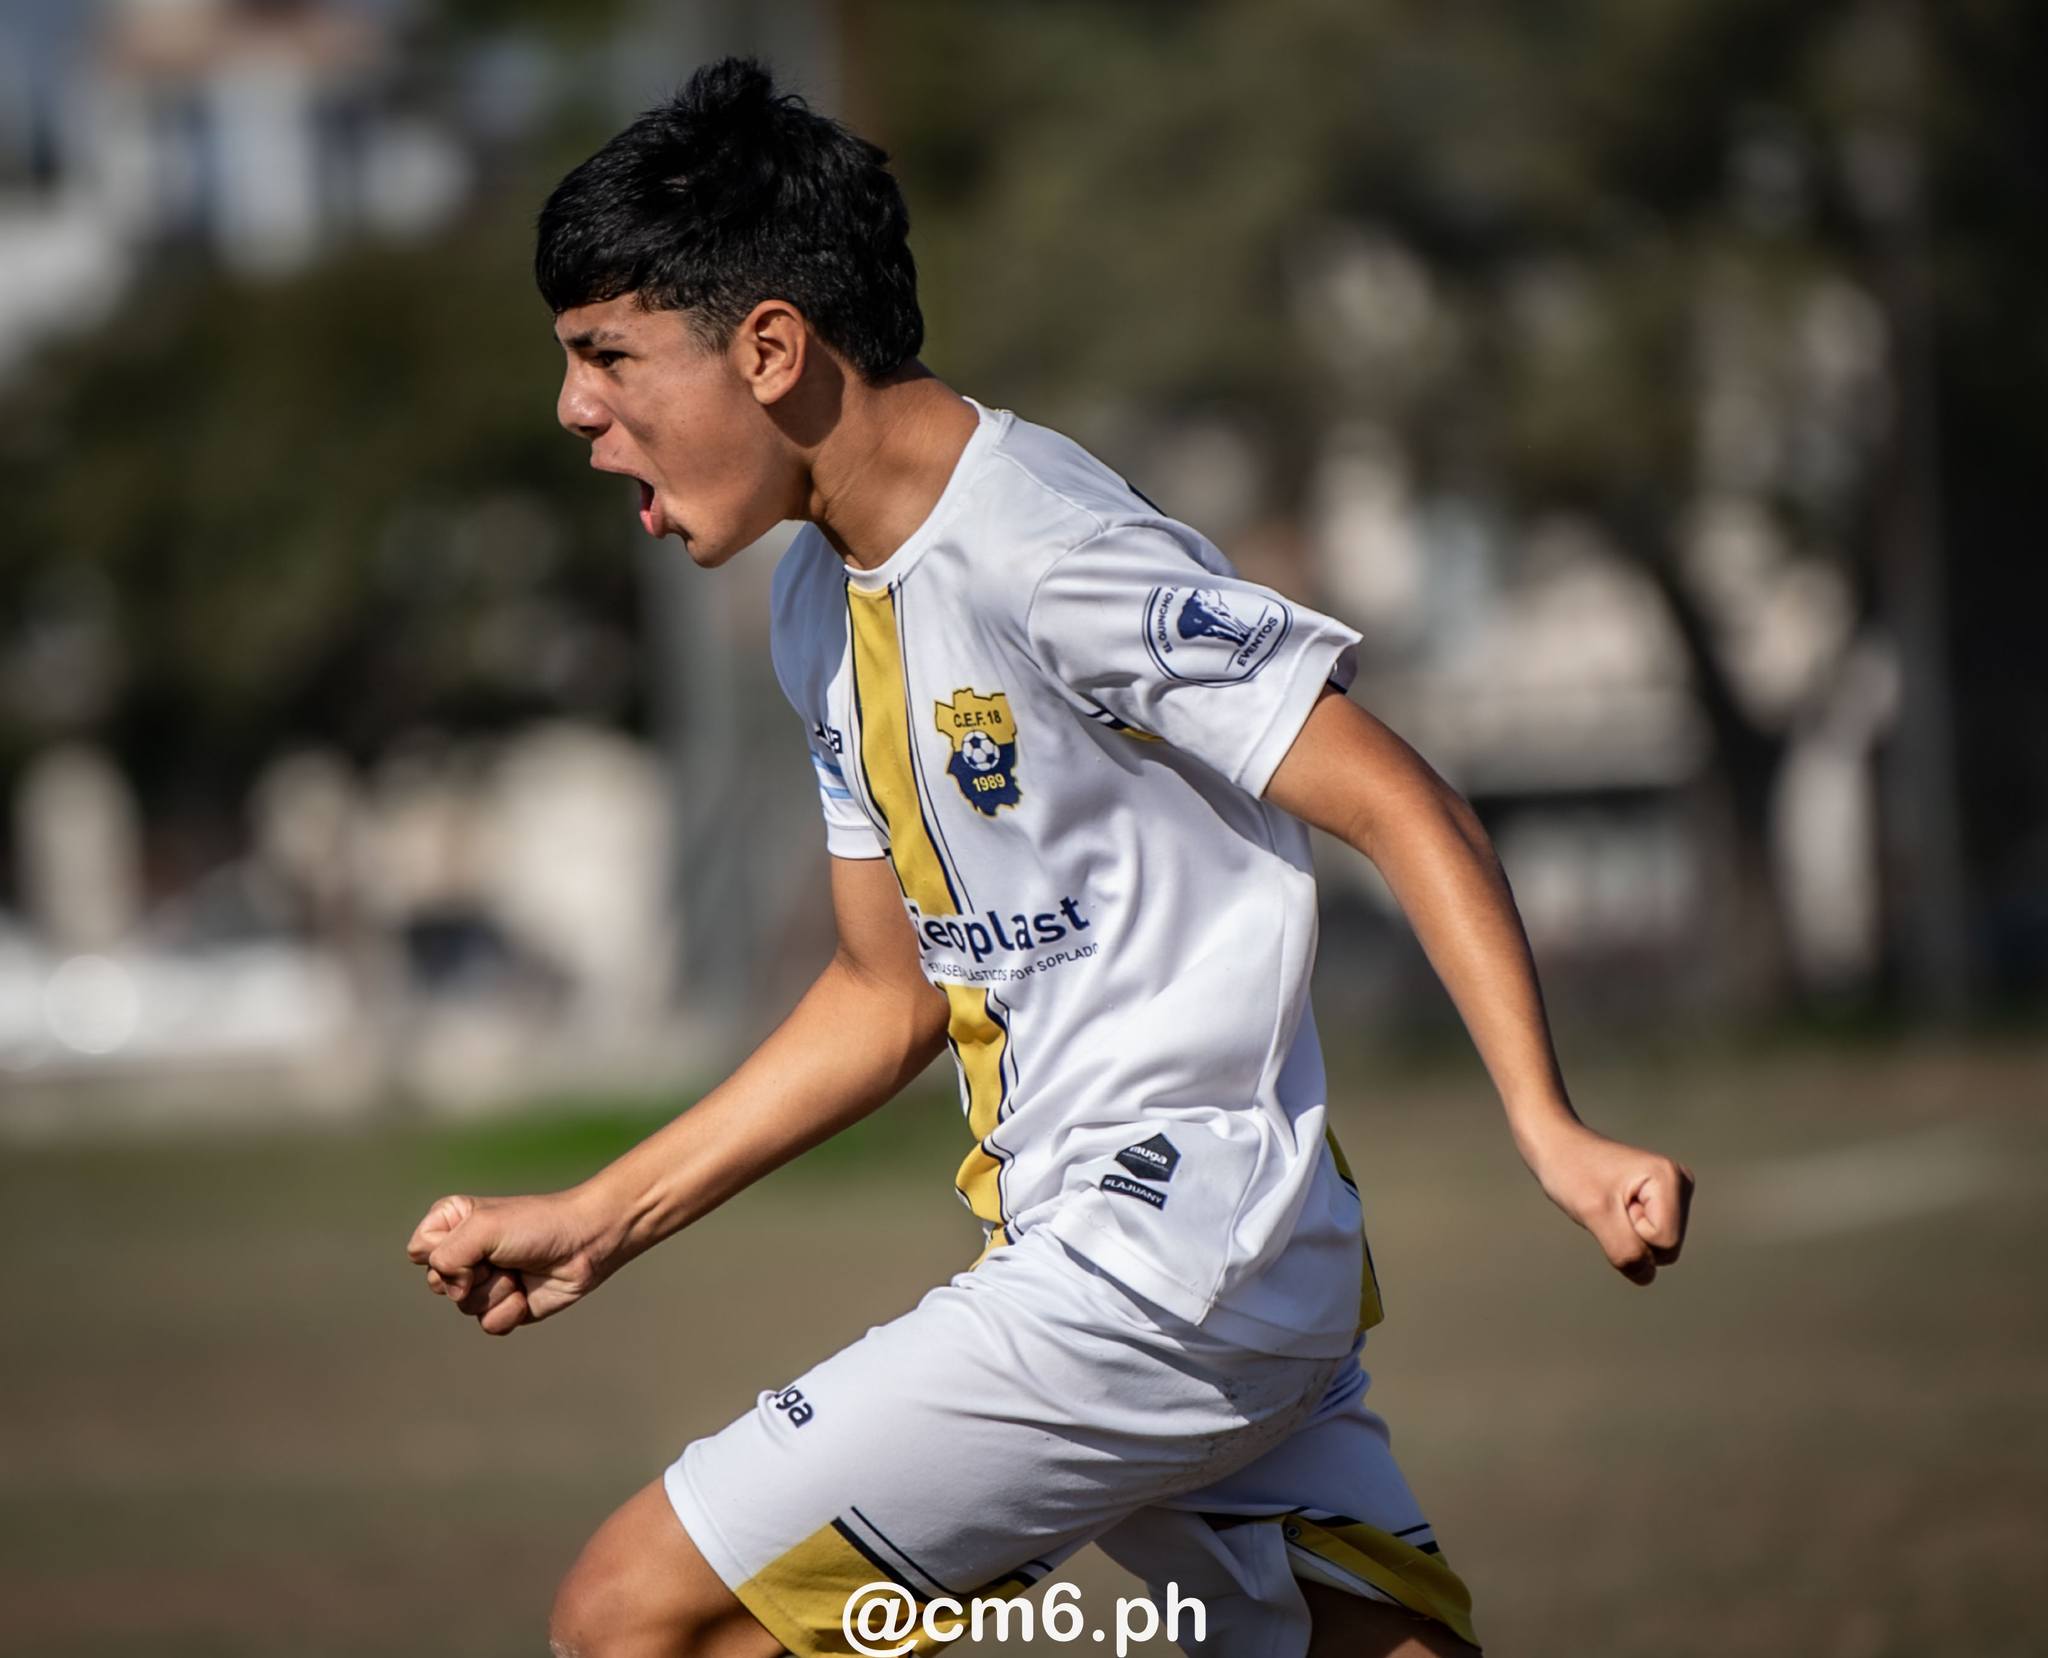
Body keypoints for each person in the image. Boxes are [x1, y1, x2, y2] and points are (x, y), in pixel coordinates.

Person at [405, 57, 1694, 1658]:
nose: (575, 411)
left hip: (1169, 1257)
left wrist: (1549, 1129)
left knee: (631, 1616)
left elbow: (1401, 802)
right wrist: (598, 1216)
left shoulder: (1049, 548)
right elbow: (885, 995)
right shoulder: (826, 599)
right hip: (1170, 1263)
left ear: (772, 348)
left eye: (606, 356)